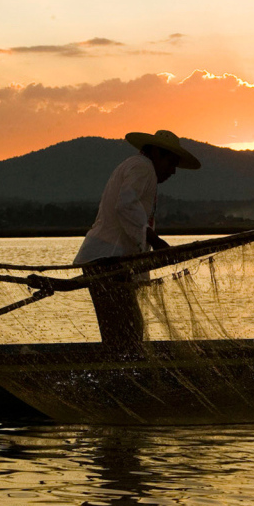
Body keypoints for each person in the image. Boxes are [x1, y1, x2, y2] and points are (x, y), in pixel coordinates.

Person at [73, 130, 201, 348]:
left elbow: (132, 212)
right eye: (171, 163)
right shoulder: (143, 167)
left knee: (126, 330)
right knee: (125, 332)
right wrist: (155, 240)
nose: (173, 172)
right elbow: (126, 205)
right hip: (108, 261)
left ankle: (119, 369)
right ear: (156, 153)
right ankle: (120, 372)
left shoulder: (139, 167)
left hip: (109, 261)